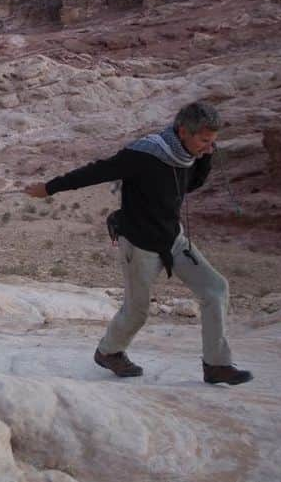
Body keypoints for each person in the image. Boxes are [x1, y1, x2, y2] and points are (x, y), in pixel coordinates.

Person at [24, 101, 252, 385]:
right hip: (140, 244)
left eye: (212, 142)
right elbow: (97, 171)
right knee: (137, 310)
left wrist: (204, 157)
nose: (208, 146)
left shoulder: (185, 156)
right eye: (204, 141)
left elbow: (188, 186)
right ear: (183, 131)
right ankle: (109, 352)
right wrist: (49, 188)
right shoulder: (144, 153)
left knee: (216, 289)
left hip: (173, 239)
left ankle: (216, 365)